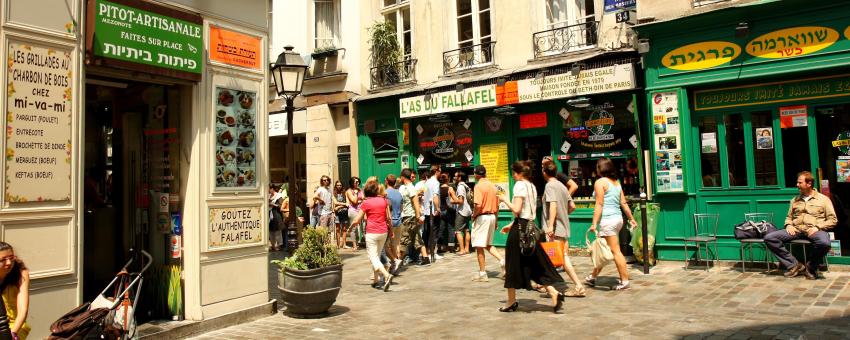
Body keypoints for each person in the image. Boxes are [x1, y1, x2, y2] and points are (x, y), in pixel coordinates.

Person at [497, 161, 564, 313]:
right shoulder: (532, 186)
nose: (513, 176)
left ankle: (511, 301)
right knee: (533, 264)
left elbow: (517, 209)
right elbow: (527, 211)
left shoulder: (519, 185)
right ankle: (553, 292)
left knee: (512, 264)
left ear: (520, 173)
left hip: (520, 231)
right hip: (531, 228)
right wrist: (511, 224)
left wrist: (504, 199)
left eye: (514, 172)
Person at [764, 171, 836, 279]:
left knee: (824, 243)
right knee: (770, 238)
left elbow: (832, 219)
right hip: (796, 230)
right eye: (797, 182)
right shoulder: (795, 200)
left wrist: (817, 227)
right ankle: (794, 265)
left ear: (809, 183)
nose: (797, 185)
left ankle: (811, 267)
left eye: (800, 183)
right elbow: (789, 217)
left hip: (814, 230)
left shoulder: (823, 199)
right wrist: (788, 225)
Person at [585, 157, 638, 291]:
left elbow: (599, 204)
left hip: (608, 220)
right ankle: (592, 276)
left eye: (597, 166)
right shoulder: (616, 182)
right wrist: (631, 218)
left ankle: (625, 280)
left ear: (600, 168)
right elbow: (624, 203)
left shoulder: (600, 182)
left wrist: (594, 223)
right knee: (602, 249)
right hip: (618, 219)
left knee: (615, 251)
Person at [541, 162, 586, 297]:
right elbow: (572, 206)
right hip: (564, 226)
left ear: (544, 172)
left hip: (555, 228)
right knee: (555, 258)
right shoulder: (562, 186)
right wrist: (563, 215)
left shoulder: (549, 186)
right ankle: (548, 286)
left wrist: (550, 225)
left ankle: (578, 286)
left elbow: (553, 206)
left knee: (561, 258)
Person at [350, 181, 395, 291]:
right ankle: (376, 280)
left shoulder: (366, 203)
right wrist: (391, 229)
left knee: (373, 257)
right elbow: (388, 217)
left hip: (372, 232)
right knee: (377, 256)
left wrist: (351, 227)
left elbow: (358, 219)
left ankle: (386, 274)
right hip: (383, 231)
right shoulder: (383, 201)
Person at [470, 165, 505, 282]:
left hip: (482, 217)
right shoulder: (493, 186)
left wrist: (474, 215)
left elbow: (478, 205)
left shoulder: (478, 186)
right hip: (492, 216)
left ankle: (482, 273)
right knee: (488, 244)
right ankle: (502, 261)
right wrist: (496, 219)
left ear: (476, 174)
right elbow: (497, 205)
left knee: (479, 246)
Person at [399, 169, 430, 266]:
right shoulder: (403, 187)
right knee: (417, 237)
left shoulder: (411, 188)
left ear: (403, 177)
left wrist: (418, 216)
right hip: (407, 215)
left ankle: (398, 261)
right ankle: (425, 258)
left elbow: (416, 202)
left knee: (404, 239)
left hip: (410, 216)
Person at [0, 242, 29, 340]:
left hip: (14, 325)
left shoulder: (21, 273)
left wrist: (13, 334)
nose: (9, 263)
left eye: (11, 258)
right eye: (3, 260)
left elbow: (23, 310)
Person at [423, 165, 443, 263]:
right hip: (433, 211)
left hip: (427, 210)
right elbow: (435, 196)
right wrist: (438, 208)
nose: (441, 173)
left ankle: (426, 252)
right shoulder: (435, 183)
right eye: (440, 171)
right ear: (436, 171)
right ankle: (432, 253)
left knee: (427, 232)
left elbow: (424, 196)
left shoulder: (427, 182)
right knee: (434, 232)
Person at [450, 171, 473, 256]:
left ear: (459, 178)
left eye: (455, 176)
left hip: (462, 211)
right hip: (468, 211)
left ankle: (462, 250)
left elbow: (460, 201)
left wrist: (452, 196)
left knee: (458, 231)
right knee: (466, 230)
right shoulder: (466, 186)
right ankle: (467, 249)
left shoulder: (460, 187)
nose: (454, 178)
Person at [385, 174, 404, 273]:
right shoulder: (399, 193)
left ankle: (394, 262)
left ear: (386, 181)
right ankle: (395, 268)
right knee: (395, 245)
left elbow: (386, 209)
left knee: (385, 246)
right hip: (398, 221)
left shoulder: (385, 193)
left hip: (390, 222)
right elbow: (401, 208)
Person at [438, 173, 456, 254]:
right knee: (451, 229)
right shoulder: (450, 188)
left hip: (441, 211)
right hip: (449, 211)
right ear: (448, 179)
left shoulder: (438, 189)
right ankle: (451, 248)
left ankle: (439, 247)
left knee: (441, 229)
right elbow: (455, 199)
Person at [345, 177, 364, 250]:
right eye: (356, 182)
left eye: (358, 182)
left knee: (361, 227)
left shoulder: (359, 189)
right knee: (353, 228)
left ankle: (358, 242)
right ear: (352, 183)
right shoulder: (349, 191)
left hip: (360, 210)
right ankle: (354, 245)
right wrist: (356, 194)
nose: (357, 183)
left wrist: (360, 199)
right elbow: (354, 201)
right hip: (353, 210)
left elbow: (363, 198)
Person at [268, 183, 285, 251]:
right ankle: (273, 245)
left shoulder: (279, 196)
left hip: (277, 215)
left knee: (277, 231)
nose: (268, 190)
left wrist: (273, 204)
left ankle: (279, 245)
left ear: (272, 189)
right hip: (270, 215)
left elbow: (281, 206)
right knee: (271, 231)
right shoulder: (268, 196)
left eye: (269, 189)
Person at [332, 180, 349, 248]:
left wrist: (339, 206)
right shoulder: (333, 193)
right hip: (337, 213)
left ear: (342, 186)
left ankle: (344, 244)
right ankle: (338, 244)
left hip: (344, 212)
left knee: (344, 229)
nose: (339, 186)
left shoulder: (345, 193)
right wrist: (344, 204)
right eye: (337, 185)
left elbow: (348, 203)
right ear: (335, 186)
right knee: (338, 229)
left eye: (340, 185)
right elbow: (335, 202)